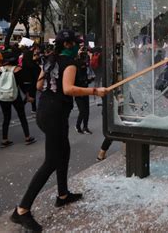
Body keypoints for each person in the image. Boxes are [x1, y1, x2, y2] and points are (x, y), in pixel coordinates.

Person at [11, 30, 108, 232]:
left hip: (47, 111)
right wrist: (95, 92)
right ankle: (22, 210)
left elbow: (39, 85)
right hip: (54, 114)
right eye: (75, 43)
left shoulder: (50, 59)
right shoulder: (70, 63)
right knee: (51, 161)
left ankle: (62, 195)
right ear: (67, 45)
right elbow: (68, 89)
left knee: (64, 152)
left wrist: (51, 88)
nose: (78, 47)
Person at [0, 51, 36, 148]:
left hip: (2, 96)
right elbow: (23, 85)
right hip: (14, 95)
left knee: (6, 117)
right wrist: (27, 96)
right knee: (22, 116)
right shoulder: (18, 70)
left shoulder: (0, 69)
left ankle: (4, 139)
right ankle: (27, 137)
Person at [74, 47, 93, 134]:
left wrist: (89, 80)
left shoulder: (85, 64)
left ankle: (85, 127)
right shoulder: (76, 64)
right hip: (78, 90)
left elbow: (86, 75)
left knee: (87, 110)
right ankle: (78, 126)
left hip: (85, 88)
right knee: (82, 110)